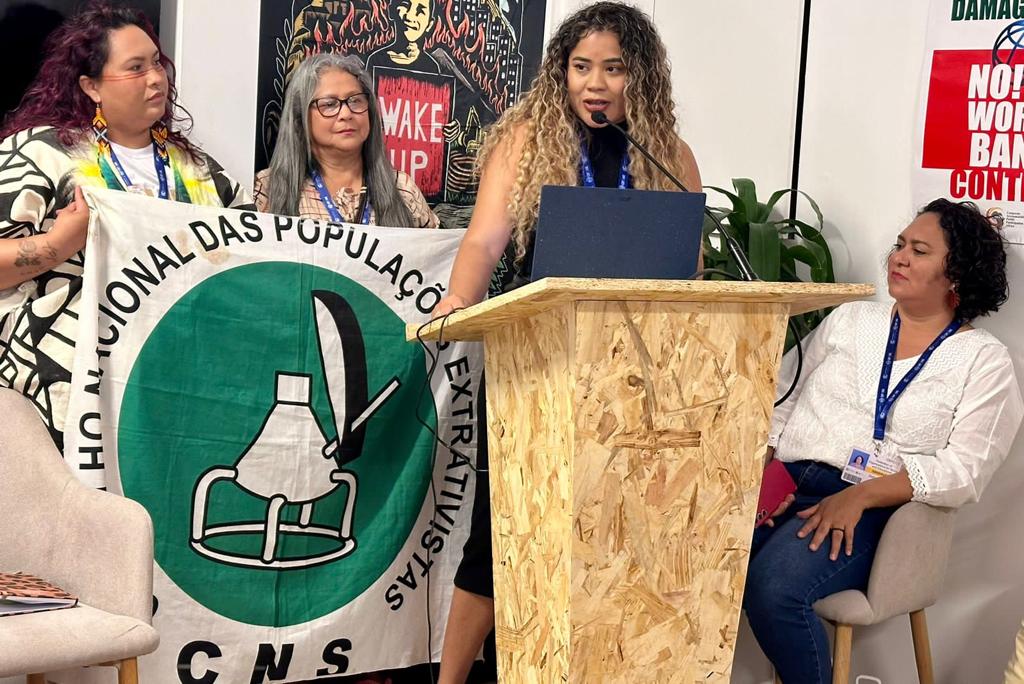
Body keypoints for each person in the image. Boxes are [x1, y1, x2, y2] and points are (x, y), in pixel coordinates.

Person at [432, 4, 702, 682]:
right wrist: (458, 297)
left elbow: (689, 268)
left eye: (613, 69)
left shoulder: (668, 154)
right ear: (562, 72)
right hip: (536, 362)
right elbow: (484, 241)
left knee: (603, 538)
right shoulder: (528, 140)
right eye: (582, 67)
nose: (595, 84)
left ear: (640, 76)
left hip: (629, 378)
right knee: (498, 535)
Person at [746, 199, 1023, 683]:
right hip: (787, 482)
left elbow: (965, 470)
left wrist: (861, 496)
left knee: (774, 588)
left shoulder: (984, 361)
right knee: (697, 558)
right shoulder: (851, 320)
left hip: (873, 509)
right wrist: (764, 476)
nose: (899, 258)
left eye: (919, 251)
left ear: (957, 274)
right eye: (900, 245)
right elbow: (781, 395)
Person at [0, 1, 251, 448]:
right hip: (63, 396)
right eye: (135, 68)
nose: (156, 78)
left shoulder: (202, 173)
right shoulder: (40, 154)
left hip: (178, 391)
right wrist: (58, 244)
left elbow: (253, 262)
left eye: (156, 62)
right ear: (91, 86)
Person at [254, 52, 438, 229]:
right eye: (329, 104)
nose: (346, 113)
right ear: (300, 117)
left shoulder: (402, 189)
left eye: (355, 101)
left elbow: (436, 249)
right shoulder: (268, 189)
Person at [364, 0, 439, 75]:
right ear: (391, 11)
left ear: (429, 25)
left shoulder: (431, 67)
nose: (410, 17)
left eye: (421, 11)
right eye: (405, 5)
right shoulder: (376, 59)